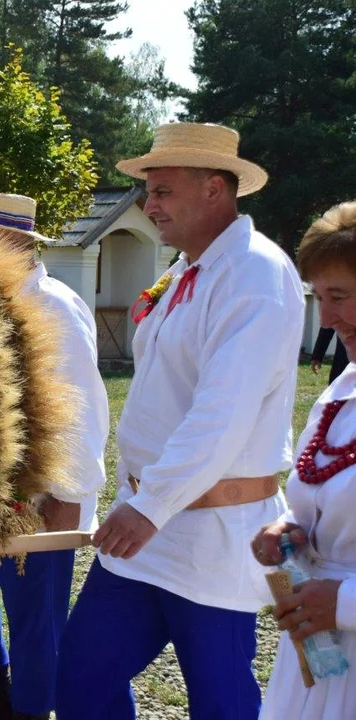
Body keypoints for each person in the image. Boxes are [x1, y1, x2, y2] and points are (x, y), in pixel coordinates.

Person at [55, 123, 305, 719]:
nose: (149, 205)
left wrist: (148, 506)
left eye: (162, 190)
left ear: (215, 189)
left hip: (211, 537)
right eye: (150, 190)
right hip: (151, 531)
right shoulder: (191, 271)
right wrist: (145, 506)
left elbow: (224, 413)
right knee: (82, 679)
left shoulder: (256, 274)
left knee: (220, 703)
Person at [0, 193, 108, 720]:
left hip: (38, 494)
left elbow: (83, 407)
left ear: (22, 246)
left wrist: (69, 496)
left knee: (34, 613)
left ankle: (33, 711)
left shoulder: (53, 305)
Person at [252, 200, 356, 719]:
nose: (329, 317)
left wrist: (344, 602)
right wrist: (290, 527)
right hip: (318, 647)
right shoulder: (339, 392)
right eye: (321, 298)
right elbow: (322, 490)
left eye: (340, 297)